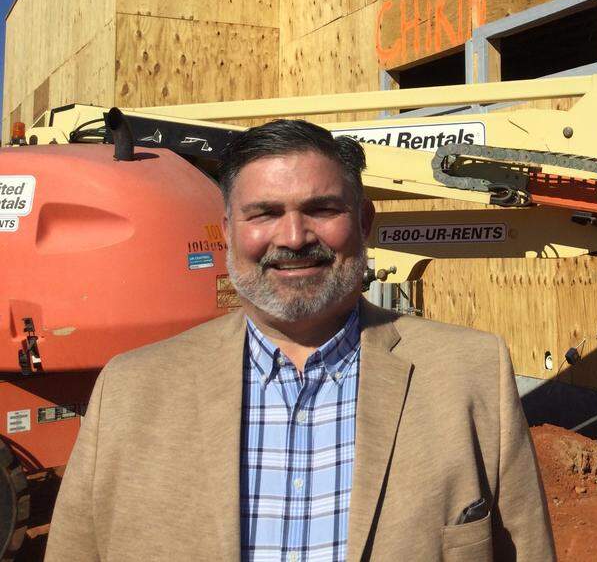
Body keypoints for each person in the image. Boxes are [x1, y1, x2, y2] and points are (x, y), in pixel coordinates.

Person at [46, 119, 556, 561]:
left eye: (322, 209)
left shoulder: (471, 372)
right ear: (227, 231)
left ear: (365, 222)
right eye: (264, 213)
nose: (293, 237)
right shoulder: (130, 390)